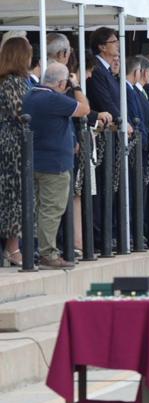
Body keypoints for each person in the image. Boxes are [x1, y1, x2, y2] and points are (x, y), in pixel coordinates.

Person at [25, 62, 89, 268]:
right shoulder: (53, 99)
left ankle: (35, 250)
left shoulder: (30, 96)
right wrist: (77, 87)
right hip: (55, 164)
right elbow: (84, 109)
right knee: (52, 209)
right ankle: (48, 254)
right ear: (62, 83)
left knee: (38, 209)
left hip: (34, 161)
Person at [0, 37, 30, 265]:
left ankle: (13, 248)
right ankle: (13, 249)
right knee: (14, 196)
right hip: (14, 145)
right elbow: (22, 112)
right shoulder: (13, 83)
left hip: (11, 141)